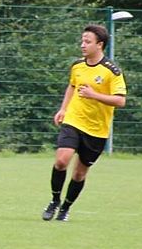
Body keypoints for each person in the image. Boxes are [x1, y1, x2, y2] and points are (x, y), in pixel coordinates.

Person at [41, 24, 127, 222]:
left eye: (87, 42)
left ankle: (65, 208)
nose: (82, 45)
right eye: (82, 41)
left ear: (100, 45)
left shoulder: (112, 71)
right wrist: (63, 109)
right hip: (74, 120)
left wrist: (94, 95)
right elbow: (72, 86)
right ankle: (54, 200)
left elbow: (120, 101)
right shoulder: (77, 66)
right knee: (61, 161)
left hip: (97, 130)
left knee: (79, 174)